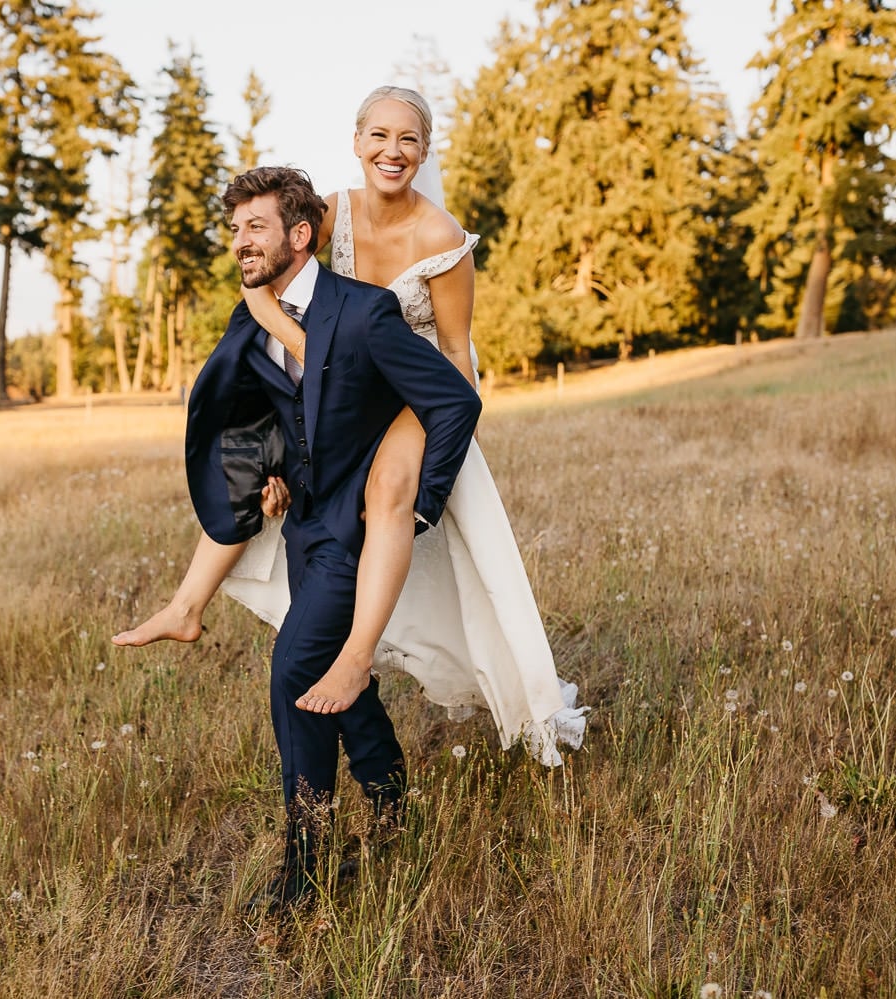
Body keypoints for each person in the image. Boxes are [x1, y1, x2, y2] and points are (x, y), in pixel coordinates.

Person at [115, 86, 588, 770]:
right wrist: (306, 372)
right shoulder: (328, 214)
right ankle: (187, 602)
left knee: (390, 489)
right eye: (379, 136)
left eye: (409, 140)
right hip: (338, 377)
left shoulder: (441, 236)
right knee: (261, 460)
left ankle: (355, 658)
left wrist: (449, 444)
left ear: (425, 152)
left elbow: (455, 351)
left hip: (414, 384)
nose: (392, 152)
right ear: (357, 140)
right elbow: (276, 295)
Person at [179, 165, 481, 911]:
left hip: (358, 528)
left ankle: (304, 864)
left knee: (292, 671)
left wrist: (416, 504)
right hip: (303, 526)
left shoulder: (365, 312)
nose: (241, 240)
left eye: (256, 226)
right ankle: (386, 789)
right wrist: (273, 473)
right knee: (331, 679)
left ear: (300, 235)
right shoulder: (251, 315)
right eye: (236, 227)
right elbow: (278, 409)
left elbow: (454, 400)